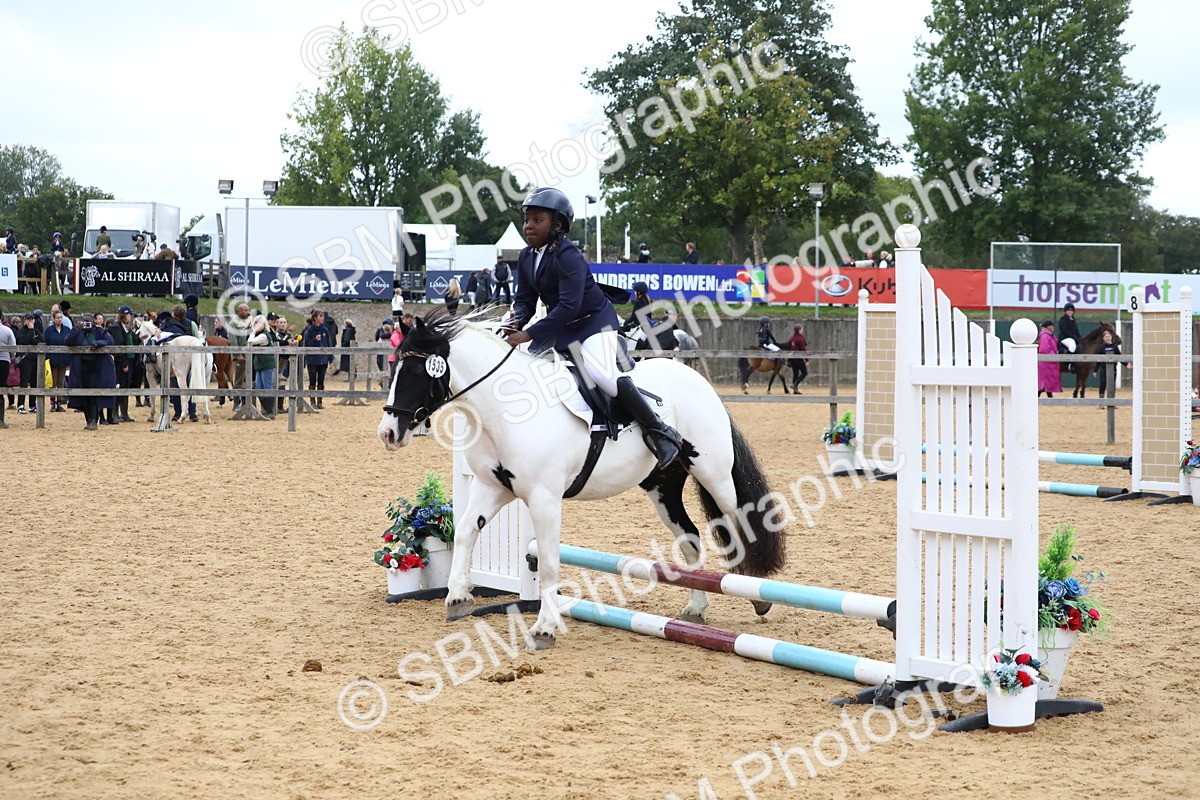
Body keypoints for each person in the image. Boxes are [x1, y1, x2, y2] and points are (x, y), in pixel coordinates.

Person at [503, 186, 680, 470]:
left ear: (557, 224)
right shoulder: (526, 256)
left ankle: (660, 432)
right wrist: (514, 321)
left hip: (593, 324)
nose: (528, 226)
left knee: (603, 375)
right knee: (529, 368)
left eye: (537, 220)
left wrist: (528, 334)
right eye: (527, 220)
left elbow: (569, 307)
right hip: (561, 327)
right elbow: (525, 299)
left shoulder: (568, 254)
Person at [67, 313, 117, 430]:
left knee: (94, 394)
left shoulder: (99, 331)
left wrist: (98, 344)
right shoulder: (78, 331)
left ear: (93, 322)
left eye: (88, 321)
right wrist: (75, 330)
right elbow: (68, 342)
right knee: (83, 394)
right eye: (84, 322)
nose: (86, 324)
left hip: (96, 367)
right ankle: (88, 419)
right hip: (81, 367)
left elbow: (110, 341)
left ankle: (94, 419)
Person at [106, 306, 137, 423]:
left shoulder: (126, 328)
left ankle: (124, 413)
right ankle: (115, 413)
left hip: (129, 360)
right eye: (129, 315)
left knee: (126, 386)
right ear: (125, 315)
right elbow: (119, 346)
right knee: (119, 386)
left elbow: (132, 341)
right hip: (120, 362)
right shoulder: (116, 328)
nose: (131, 317)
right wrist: (123, 363)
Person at [249, 313, 282, 419]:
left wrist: (253, 332)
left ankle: (269, 411)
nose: (256, 326)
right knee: (259, 388)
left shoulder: (263, 335)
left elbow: (250, 342)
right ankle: (267, 410)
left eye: (258, 324)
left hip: (267, 364)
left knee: (267, 387)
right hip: (260, 364)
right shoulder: (263, 334)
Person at [302, 309, 333, 408]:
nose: (322, 318)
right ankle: (312, 401)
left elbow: (329, 344)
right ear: (315, 318)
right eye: (320, 316)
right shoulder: (309, 330)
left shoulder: (325, 330)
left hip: (323, 360)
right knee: (312, 380)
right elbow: (306, 344)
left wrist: (330, 359)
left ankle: (320, 401)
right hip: (312, 359)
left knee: (321, 380)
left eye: (323, 316)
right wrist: (315, 340)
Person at [42, 309, 72, 412]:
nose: (59, 320)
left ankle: (59, 402)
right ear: (53, 319)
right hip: (52, 359)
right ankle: (52, 403)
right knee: (52, 381)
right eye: (57, 318)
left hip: (63, 359)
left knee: (61, 381)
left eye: (61, 318)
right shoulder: (49, 330)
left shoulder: (67, 330)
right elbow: (45, 343)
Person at [226, 303, 253, 411]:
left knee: (248, 379)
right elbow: (232, 340)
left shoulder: (249, 322)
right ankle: (236, 404)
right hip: (241, 354)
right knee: (238, 379)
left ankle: (245, 403)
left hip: (249, 353)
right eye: (246, 310)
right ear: (239, 311)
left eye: (248, 310)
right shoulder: (234, 323)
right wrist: (237, 354)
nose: (248, 312)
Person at [13, 314, 41, 414]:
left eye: (31, 319)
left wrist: (33, 335)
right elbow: (24, 341)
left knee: (34, 383)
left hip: (35, 359)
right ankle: (20, 405)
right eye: (28, 319)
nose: (30, 321)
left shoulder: (37, 331)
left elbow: (40, 342)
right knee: (24, 382)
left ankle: (32, 405)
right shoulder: (21, 331)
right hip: (25, 359)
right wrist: (30, 331)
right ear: (24, 321)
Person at [1038, 320, 1062, 397]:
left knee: (1047, 381)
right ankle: (1045, 397)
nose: (1053, 327)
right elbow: (1044, 349)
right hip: (1046, 362)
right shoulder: (1045, 336)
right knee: (1046, 380)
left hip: (1049, 362)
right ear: (1048, 327)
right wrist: (1054, 355)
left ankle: (1049, 397)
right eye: (1052, 326)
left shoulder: (1050, 335)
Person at [1096, 329, 1122, 399]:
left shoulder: (1115, 346)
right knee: (1103, 385)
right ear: (1103, 338)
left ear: (1111, 337)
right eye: (1106, 337)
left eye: (1109, 336)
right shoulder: (1101, 347)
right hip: (1103, 369)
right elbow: (1098, 360)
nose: (1107, 338)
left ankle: (1111, 402)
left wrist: (1126, 364)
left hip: (1113, 369)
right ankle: (1101, 402)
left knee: (1112, 385)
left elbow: (1120, 357)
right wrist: (1095, 370)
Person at [1058, 302, 1082, 375]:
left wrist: (1080, 338)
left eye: (1071, 311)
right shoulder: (1063, 319)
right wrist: (1074, 338)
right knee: (1072, 345)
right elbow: (1065, 331)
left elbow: (1076, 330)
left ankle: (1076, 363)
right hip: (1065, 338)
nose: (1070, 312)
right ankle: (1068, 363)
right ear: (1065, 311)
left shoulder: (1073, 319)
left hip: (1072, 338)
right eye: (1068, 310)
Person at [786, 324, 808, 393]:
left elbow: (789, 347)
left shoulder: (792, 338)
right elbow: (803, 349)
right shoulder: (801, 338)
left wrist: (789, 359)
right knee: (804, 372)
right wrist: (807, 360)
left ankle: (795, 390)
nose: (802, 330)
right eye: (802, 329)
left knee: (795, 373)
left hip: (792, 358)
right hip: (798, 358)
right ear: (799, 330)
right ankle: (795, 384)